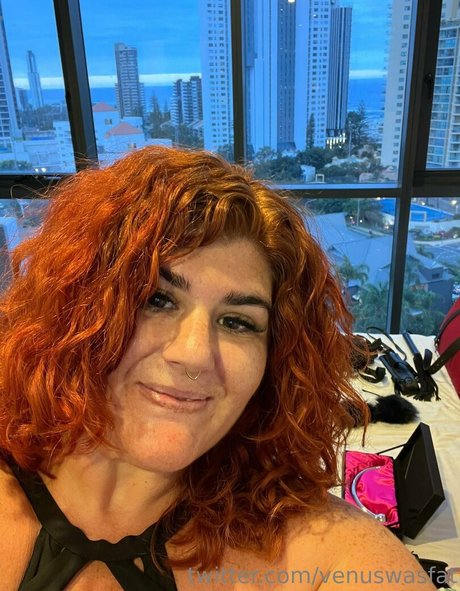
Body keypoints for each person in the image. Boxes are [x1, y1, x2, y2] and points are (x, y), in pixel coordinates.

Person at [0, 146, 435, 591]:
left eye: (237, 322)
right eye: (156, 299)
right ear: (75, 310)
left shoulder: (328, 556)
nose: (193, 354)